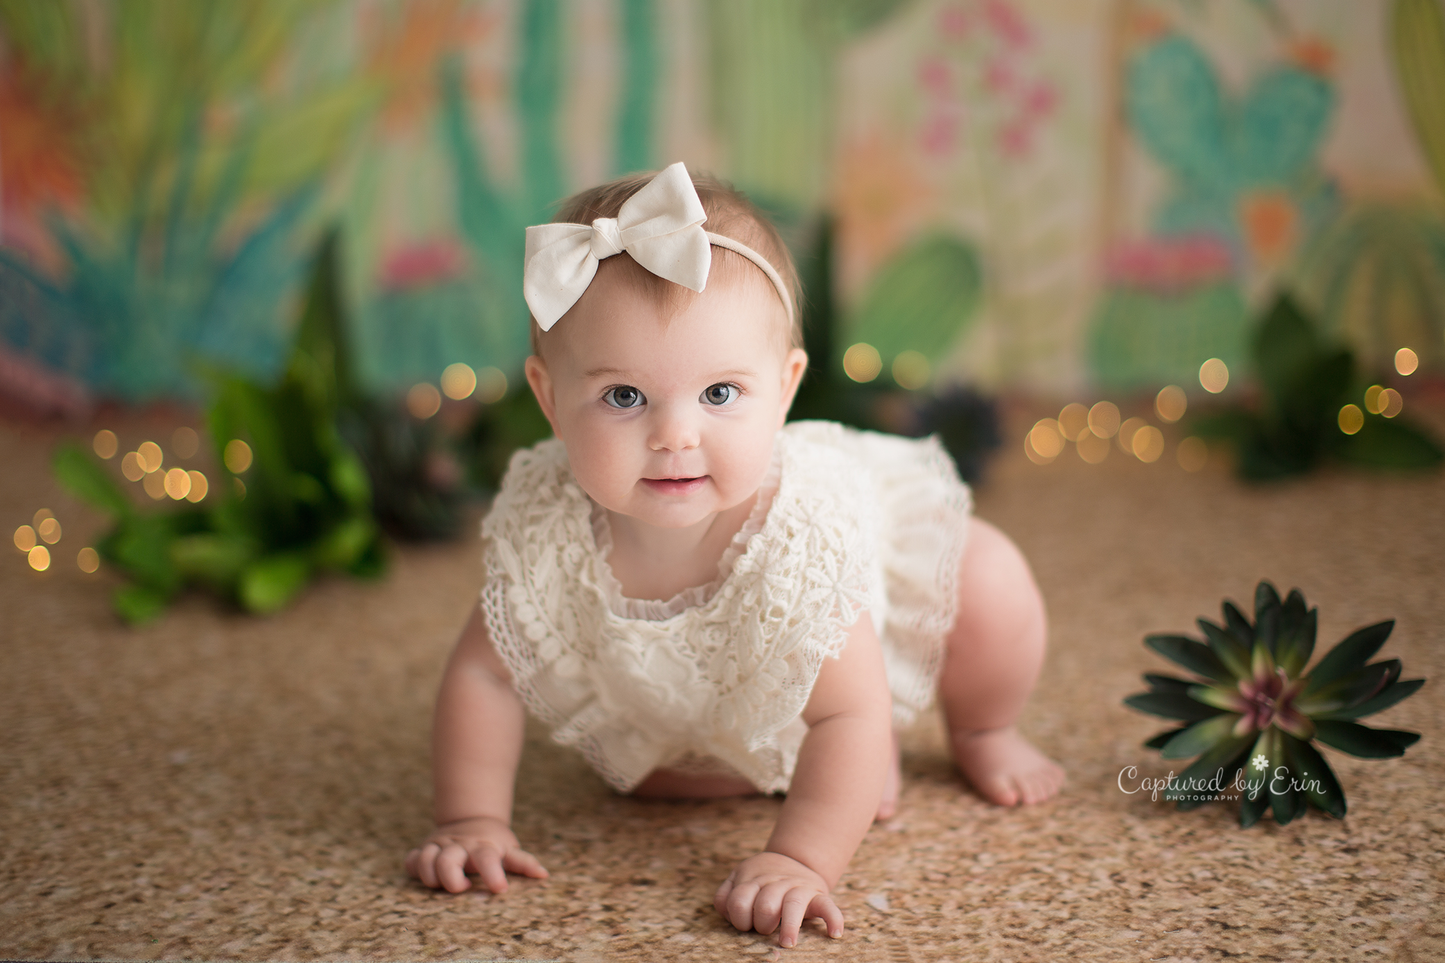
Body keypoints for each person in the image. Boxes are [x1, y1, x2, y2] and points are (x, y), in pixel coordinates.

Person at [404, 163, 1063, 948]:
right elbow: (484, 673)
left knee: (987, 578)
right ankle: (803, 766)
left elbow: (851, 708)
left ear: (783, 392)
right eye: (623, 396)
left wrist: (800, 859)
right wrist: (470, 817)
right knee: (660, 782)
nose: (674, 435)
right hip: (697, 698)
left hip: (843, 671)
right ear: (549, 399)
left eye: (720, 394)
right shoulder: (546, 524)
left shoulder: (797, 541)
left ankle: (981, 730)